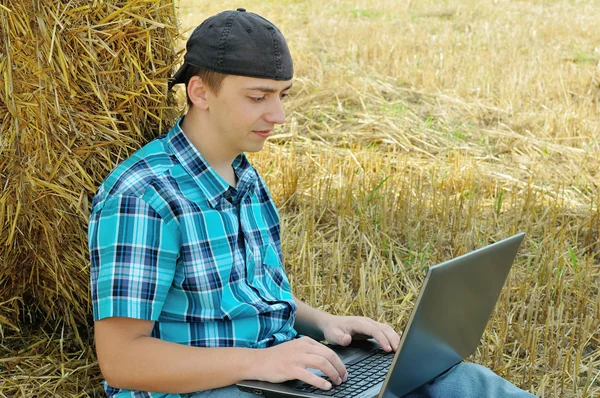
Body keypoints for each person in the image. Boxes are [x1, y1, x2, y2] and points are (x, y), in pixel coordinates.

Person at [88, 8, 536, 398]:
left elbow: (246, 295)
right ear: (200, 92)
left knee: (458, 381)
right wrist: (257, 364)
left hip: (276, 370)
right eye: (258, 97)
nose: (278, 115)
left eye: (282, 95)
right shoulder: (143, 197)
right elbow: (124, 360)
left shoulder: (243, 174)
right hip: (206, 389)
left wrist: (324, 323)